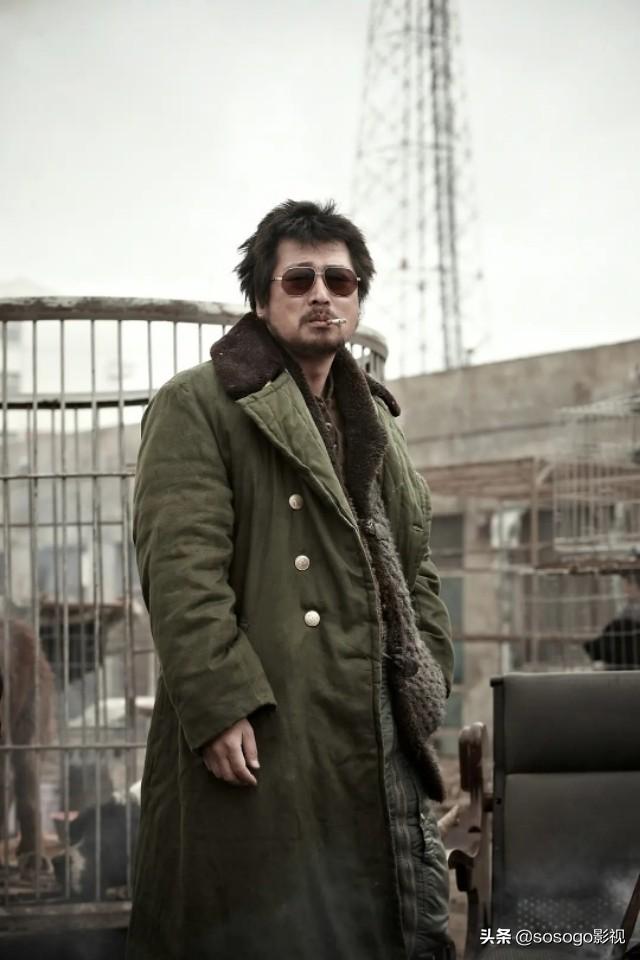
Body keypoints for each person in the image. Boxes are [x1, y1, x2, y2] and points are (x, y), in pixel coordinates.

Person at [127, 200, 455, 960]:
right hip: (267, 722)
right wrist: (218, 704)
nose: (322, 294)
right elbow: (181, 569)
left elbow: (417, 561)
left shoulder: (376, 418)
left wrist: (429, 668)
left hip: (374, 719)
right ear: (261, 298)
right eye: (299, 279)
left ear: (358, 297)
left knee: (382, 922)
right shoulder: (198, 404)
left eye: (340, 280)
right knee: (268, 926)